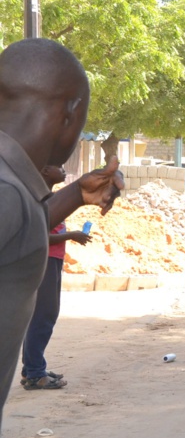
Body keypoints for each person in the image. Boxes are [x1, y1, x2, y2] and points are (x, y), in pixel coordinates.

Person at [0, 38, 123, 432]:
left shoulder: (13, 190)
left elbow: (18, 234)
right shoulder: (5, 189)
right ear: (71, 114)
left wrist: (76, 194)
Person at [20, 165, 93, 390]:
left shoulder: (49, 197)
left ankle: (32, 368)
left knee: (44, 315)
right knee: (44, 315)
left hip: (53, 258)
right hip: (45, 258)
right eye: (57, 166)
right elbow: (38, 234)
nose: (63, 169)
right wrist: (71, 235)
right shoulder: (37, 196)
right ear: (43, 171)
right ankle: (34, 373)